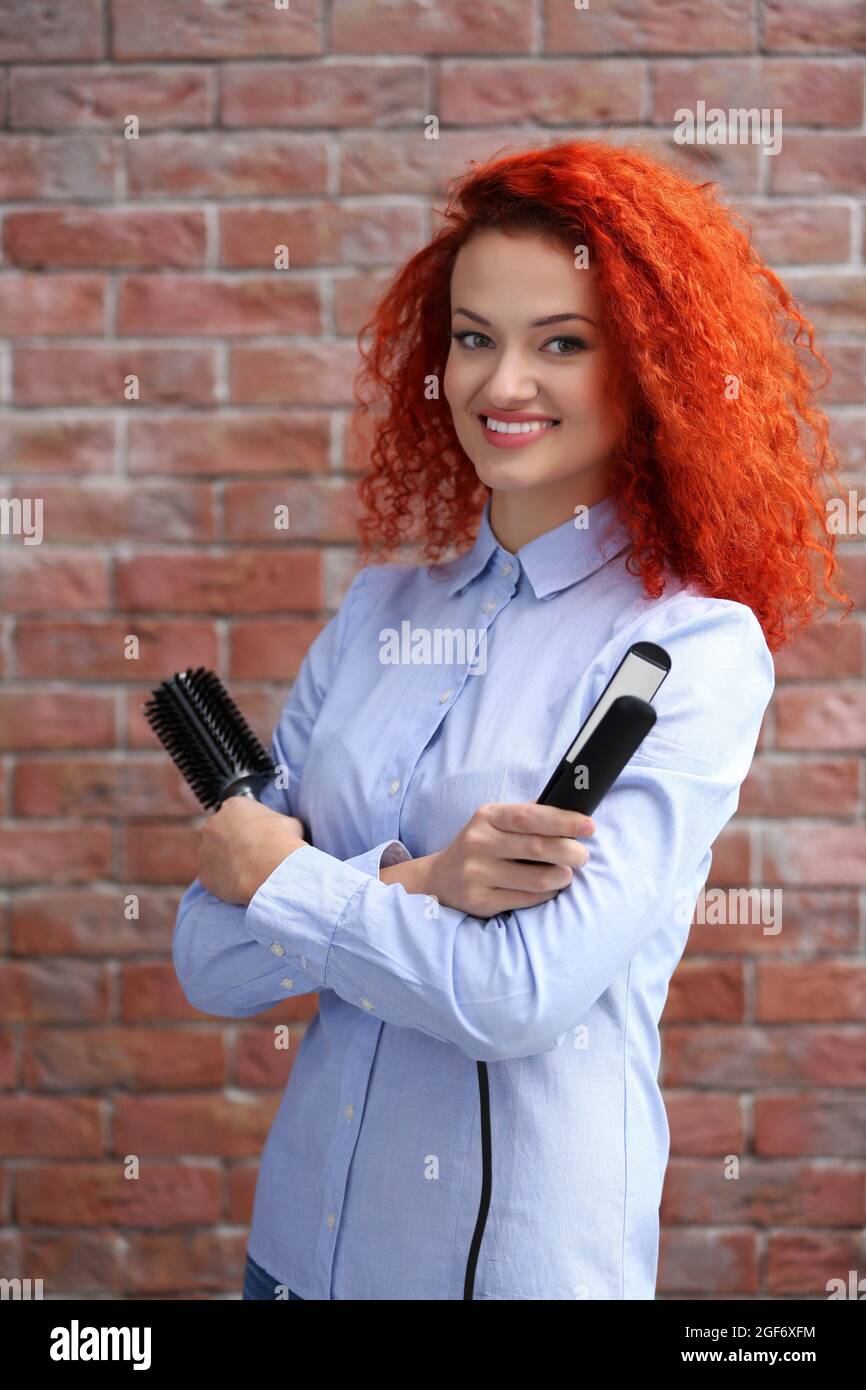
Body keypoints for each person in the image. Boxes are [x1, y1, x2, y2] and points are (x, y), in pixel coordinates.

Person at [173, 139, 851, 1301]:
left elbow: (516, 995)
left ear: (648, 370)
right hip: (289, 1261)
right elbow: (207, 960)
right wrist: (418, 883)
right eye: (475, 337)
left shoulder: (684, 649)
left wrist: (289, 881)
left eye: (562, 343)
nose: (501, 385)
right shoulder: (379, 612)